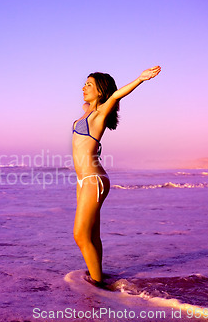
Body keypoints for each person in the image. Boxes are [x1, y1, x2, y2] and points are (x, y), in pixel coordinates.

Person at [72, 66, 161, 287]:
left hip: (93, 178)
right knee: (92, 234)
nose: (84, 87)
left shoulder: (99, 113)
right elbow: (95, 98)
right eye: (84, 83)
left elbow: (116, 95)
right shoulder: (86, 109)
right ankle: (98, 274)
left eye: (89, 84)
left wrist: (140, 78)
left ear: (101, 91)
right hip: (82, 180)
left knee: (80, 235)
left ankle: (97, 285)